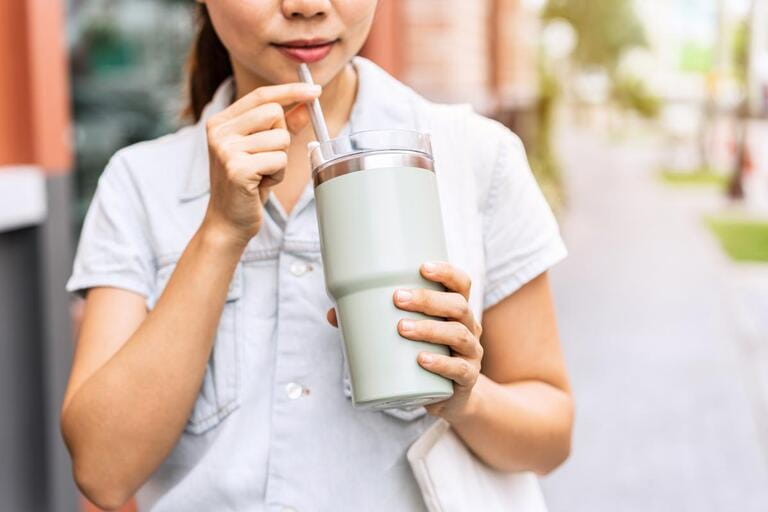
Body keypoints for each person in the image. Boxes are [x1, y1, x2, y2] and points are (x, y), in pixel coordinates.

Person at [61, 1, 573, 510]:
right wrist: (219, 233)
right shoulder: (139, 184)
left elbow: (550, 438)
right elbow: (103, 472)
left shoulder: (475, 157)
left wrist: (467, 398)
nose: (306, 6)